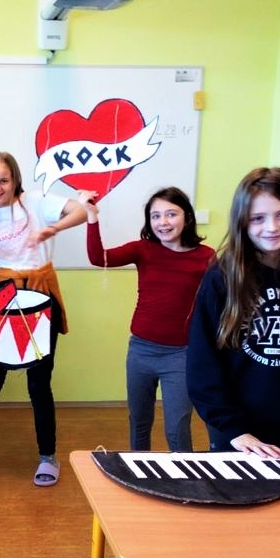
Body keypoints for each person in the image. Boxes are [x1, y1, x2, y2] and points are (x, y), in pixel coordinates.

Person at [0, 151, 88, 487]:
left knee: (39, 381)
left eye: (3, 180)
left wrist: (52, 229)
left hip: (40, 294)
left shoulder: (35, 202)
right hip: (4, 299)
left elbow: (80, 211)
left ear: (15, 180)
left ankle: (48, 455)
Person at [187, 167, 280, 457]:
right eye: (257, 218)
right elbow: (202, 361)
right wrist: (234, 429)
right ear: (242, 220)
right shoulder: (221, 278)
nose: (271, 227)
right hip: (235, 429)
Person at [79, 187, 214, 452]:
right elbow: (99, 258)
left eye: (171, 214)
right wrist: (91, 216)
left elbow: (217, 303)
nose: (163, 222)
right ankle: (138, 469)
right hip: (141, 351)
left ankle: (182, 474)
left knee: (177, 426)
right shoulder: (143, 249)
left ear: (187, 217)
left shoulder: (206, 257)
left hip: (181, 355)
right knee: (139, 421)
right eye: (156, 216)